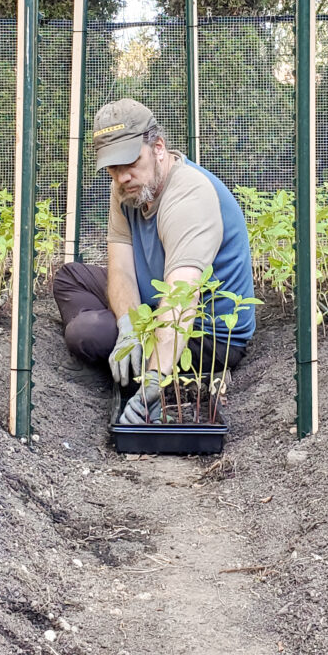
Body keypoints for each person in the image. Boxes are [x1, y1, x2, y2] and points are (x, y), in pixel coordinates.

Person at [52, 99, 255, 424]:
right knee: (70, 277)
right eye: (113, 168)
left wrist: (153, 384)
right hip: (156, 302)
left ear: (158, 147)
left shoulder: (189, 197)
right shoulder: (127, 190)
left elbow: (181, 299)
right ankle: (130, 349)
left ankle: (144, 370)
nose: (122, 177)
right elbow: (119, 267)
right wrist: (130, 327)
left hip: (205, 333)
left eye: (130, 162)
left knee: (89, 333)